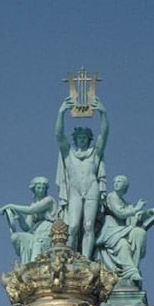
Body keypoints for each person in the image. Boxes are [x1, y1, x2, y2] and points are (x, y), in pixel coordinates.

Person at [55, 94, 108, 259]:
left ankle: (85, 259)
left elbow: (104, 135)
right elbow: (58, 135)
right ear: (75, 140)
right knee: (73, 227)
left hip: (91, 188)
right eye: (79, 138)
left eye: (85, 137)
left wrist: (103, 114)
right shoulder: (68, 154)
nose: (82, 140)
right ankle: (71, 258)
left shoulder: (94, 154)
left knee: (89, 225)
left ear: (89, 139)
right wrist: (61, 113)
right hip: (75, 190)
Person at [94, 174, 154, 285]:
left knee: (139, 233)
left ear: (125, 185)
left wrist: (149, 213)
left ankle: (134, 266)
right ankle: (130, 271)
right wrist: (136, 209)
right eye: (115, 181)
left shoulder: (125, 203)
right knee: (123, 244)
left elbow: (134, 217)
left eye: (119, 181)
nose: (116, 183)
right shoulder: (111, 197)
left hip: (121, 230)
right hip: (110, 231)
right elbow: (120, 213)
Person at [0, 176, 60, 264]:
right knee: (16, 237)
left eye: (43, 188)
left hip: (46, 232)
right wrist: (19, 216)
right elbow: (26, 227)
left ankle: (34, 269)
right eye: (39, 188)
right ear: (34, 189)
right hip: (35, 232)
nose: (41, 190)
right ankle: (25, 267)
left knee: (37, 249)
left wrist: (10, 206)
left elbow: (31, 210)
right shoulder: (34, 203)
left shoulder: (48, 200)